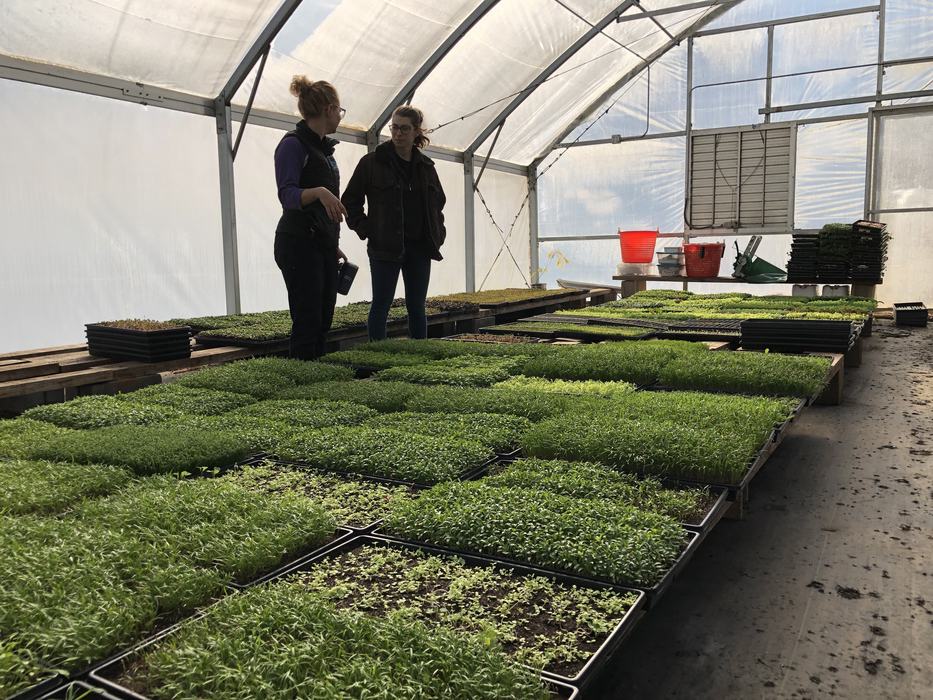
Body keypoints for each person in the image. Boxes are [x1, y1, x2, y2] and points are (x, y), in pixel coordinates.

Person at [342, 105, 446, 341]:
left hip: (419, 247)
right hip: (384, 247)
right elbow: (350, 201)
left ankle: (419, 359)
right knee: (381, 305)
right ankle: (377, 363)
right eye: (395, 128)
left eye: (405, 129)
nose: (398, 134)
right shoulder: (371, 163)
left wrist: (438, 234)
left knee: (417, 307)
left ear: (417, 131)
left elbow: (438, 203)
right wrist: (367, 229)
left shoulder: (426, 168)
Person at [273, 76, 348, 360]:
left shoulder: (323, 148)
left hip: (320, 243)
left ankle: (315, 383)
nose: (340, 116)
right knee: (308, 321)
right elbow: (287, 195)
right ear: (329, 109)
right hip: (297, 243)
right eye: (340, 110)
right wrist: (319, 192)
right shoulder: (294, 145)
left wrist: (331, 241)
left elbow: (322, 210)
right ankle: (301, 391)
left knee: (323, 320)